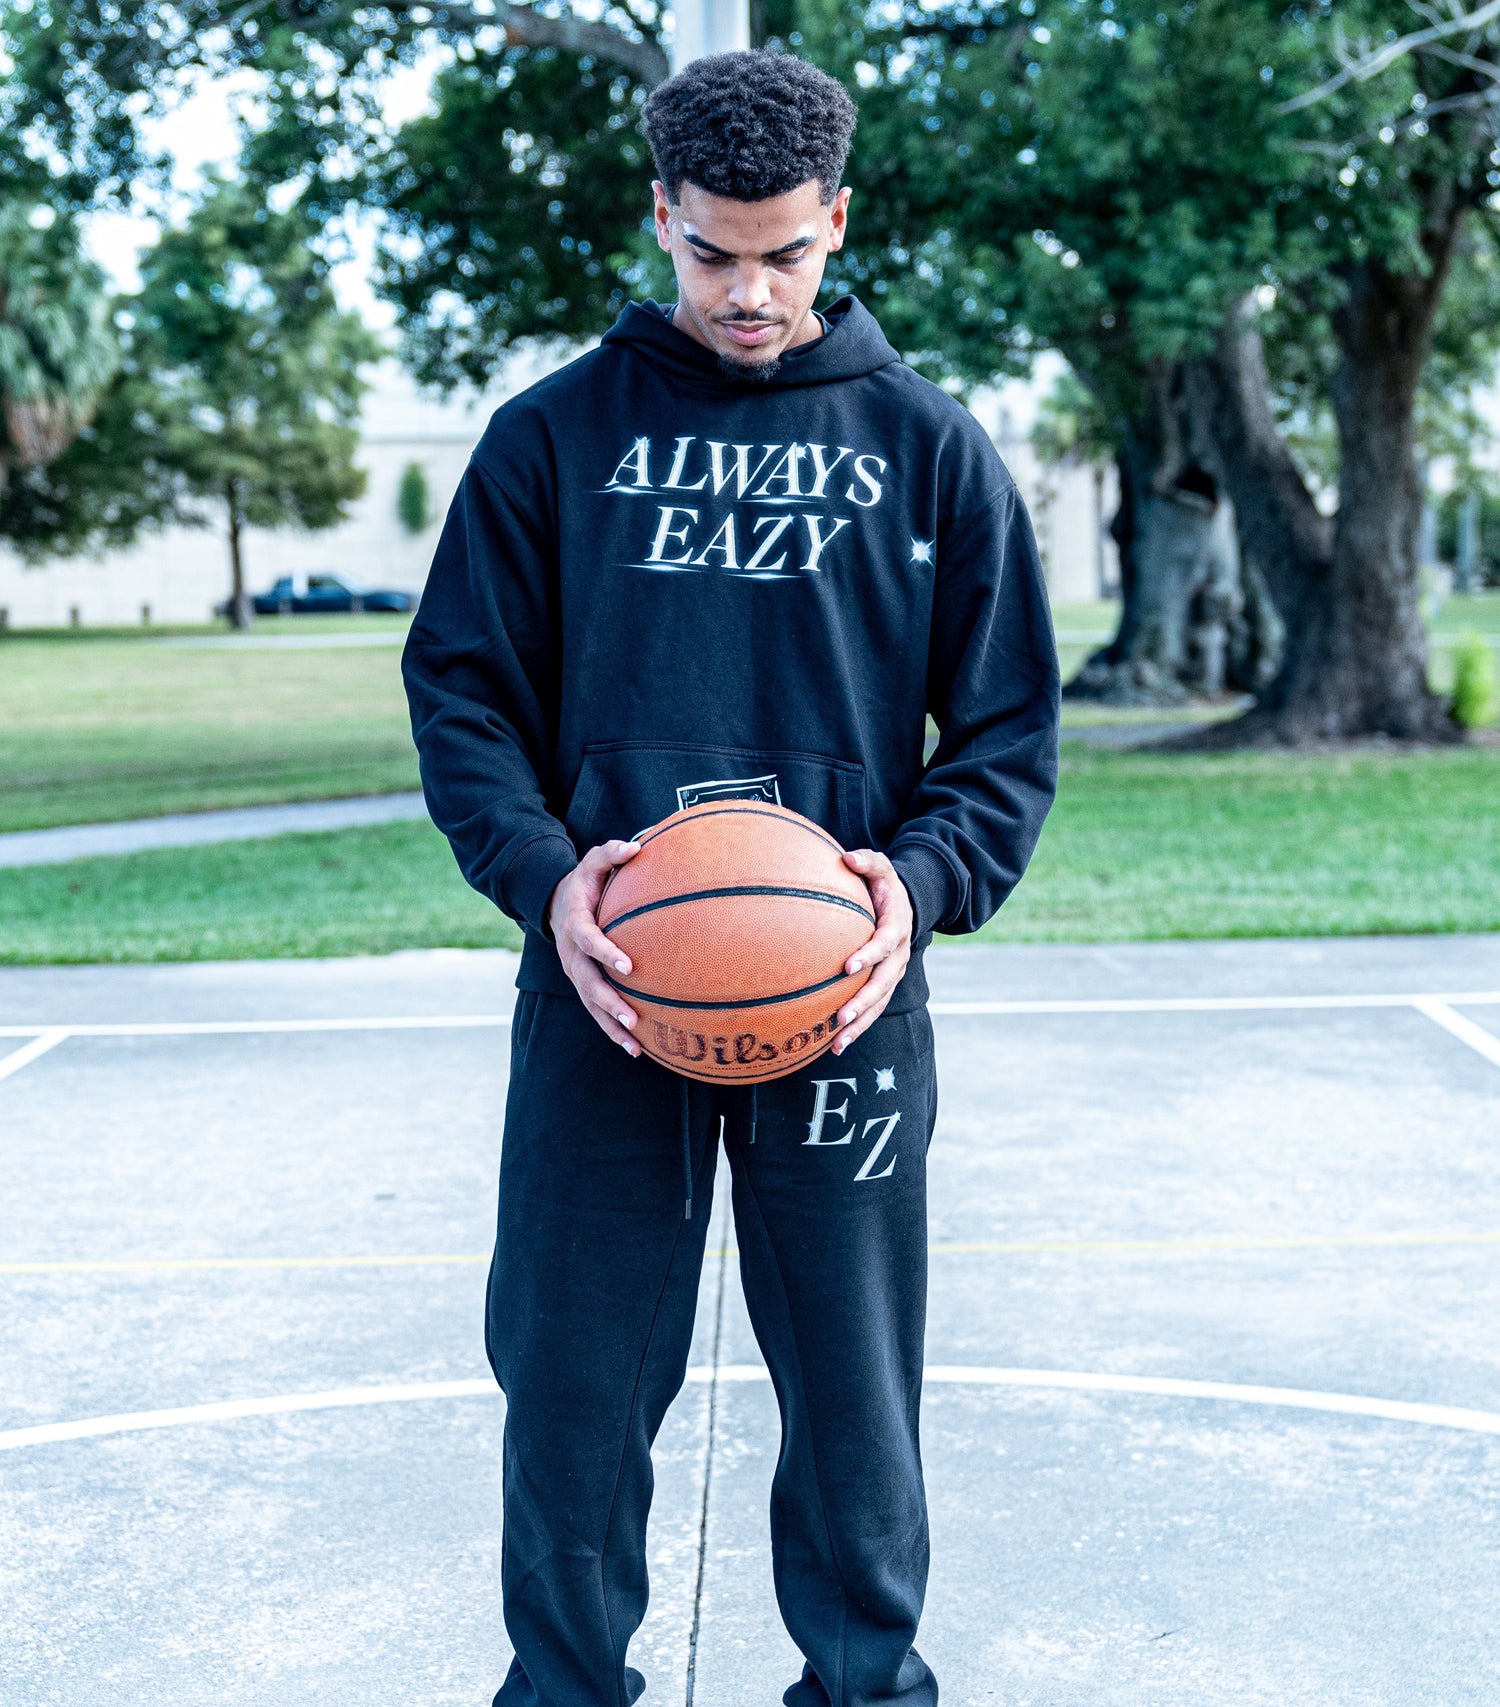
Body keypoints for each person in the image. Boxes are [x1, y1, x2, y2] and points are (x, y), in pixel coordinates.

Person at [402, 48, 1059, 1707]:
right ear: (661, 219)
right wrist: (545, 877)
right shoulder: (551, 439)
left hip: (842, 995)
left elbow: (1005, 734)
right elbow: (462, 691)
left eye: (783, 251)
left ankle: (863, 1689)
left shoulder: (928, 449)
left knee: (851, 1392)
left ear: (837, 220)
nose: (748, 291)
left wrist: (921, 882)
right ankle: (562, 1692)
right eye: (711, 253)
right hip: (608, 984)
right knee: (567, 1380)